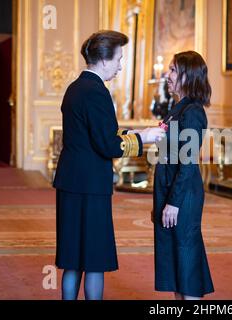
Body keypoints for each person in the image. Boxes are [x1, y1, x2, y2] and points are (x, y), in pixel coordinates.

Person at [53, 30, 165, 300]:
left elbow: (96, 132)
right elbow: (108, 146)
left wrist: (129, 132)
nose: (120, 66)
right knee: (93, 259)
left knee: (73, 259)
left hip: (70, 182)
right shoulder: (97, 92)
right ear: (104, 60)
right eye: (118, 59)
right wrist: (143, 137)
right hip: (90, 187)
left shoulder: (76, 87)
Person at [152, 51, 214, 300]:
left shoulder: (193, 112)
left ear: (189, 75)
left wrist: (173, 203)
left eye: (174, 70)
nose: (168, 75)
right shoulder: (176, 110)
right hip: (171, 193)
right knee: (177, 264)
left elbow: (187, 163)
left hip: (183, 198)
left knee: (186, 262)